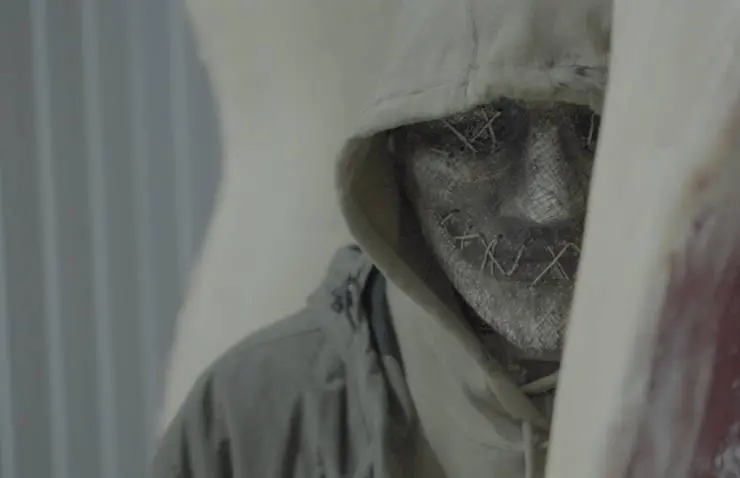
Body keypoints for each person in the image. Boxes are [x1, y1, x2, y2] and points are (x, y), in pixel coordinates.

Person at [153, 1, 611, 477]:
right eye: (478, 135)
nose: (550, 204)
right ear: (394, 153)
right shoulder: (253, 423)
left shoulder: (672, 401)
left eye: (598, 131)